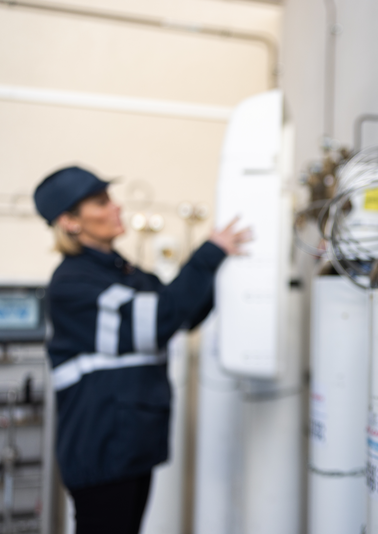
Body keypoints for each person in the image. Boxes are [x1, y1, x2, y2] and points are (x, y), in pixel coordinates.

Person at [33, 165, 249, 534]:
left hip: (131, 443)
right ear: (70, 222)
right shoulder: (72, 283)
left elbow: (182, 315)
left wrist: (228, 271)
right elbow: (157, 321)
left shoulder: (124, 272)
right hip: (100, 445)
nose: (115, 207)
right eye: (100, 202)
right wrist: (208, 255)